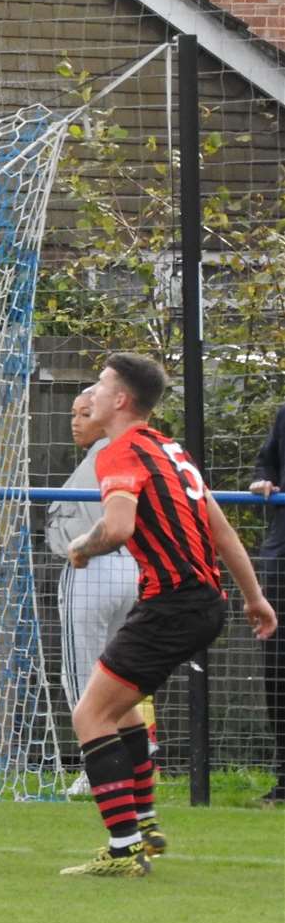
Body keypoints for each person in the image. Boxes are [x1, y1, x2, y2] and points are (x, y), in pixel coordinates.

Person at [59, 353, 276, 878]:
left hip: (172, 604)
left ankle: (124, 847)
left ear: (122, 399)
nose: (92, 393)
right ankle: (147, 824)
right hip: (206, 604)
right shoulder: (170, 449)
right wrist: (254, 597)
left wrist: (81, 547)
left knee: (90, 716)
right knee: (121, 708)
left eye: (102, 384)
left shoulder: (121, 453)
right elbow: (221, 531)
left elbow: (118, 527)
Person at [46, 386, 151, 797]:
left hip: (90, 567)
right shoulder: (126, 451)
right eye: (73, 413)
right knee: (115, 671)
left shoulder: (111, 451)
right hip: (130, 567)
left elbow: (85, 527)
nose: (75, 421)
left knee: (84, 673)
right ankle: (135, 757)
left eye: (85, 412)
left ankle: (100, 769)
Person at [249, 402, 285, 805]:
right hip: (282, 560)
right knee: (278, 671)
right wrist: (264, 480)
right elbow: (267, 463)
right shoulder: (284, 414)